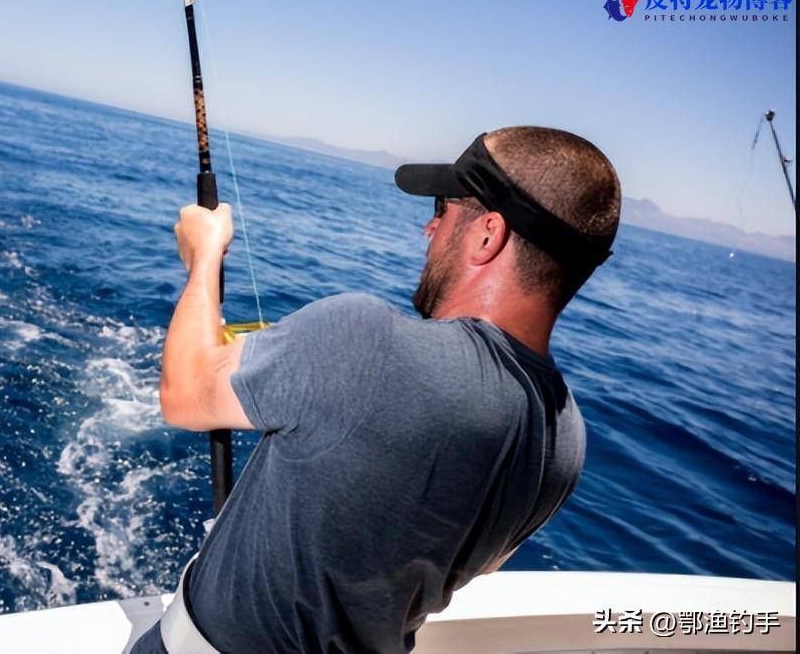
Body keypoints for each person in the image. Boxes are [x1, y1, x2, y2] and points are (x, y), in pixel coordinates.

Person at [131, 125, 622, 654]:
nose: (429, 228)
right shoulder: (566, 442)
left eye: (445, 207)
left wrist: (205, 256)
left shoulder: (368, 338)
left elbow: (183, 393)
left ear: (488, 234)